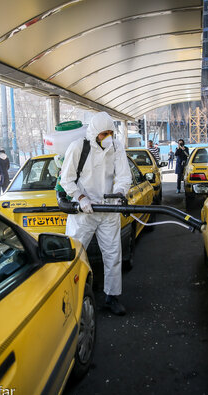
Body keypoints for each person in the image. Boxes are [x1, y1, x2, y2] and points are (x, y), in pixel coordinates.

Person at [61, 112, 132, 316]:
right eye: (103, 134)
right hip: (83, 211)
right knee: (75, 253)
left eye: (110, 132)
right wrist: (80, 198)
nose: (107, 136)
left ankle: (112, 297)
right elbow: (67, 179)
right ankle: (71, 295)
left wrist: (118, 194)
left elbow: (124, 176)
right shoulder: (78, 147)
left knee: (113, 254)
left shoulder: (116, 147)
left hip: (109, 210)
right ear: (94, 133)